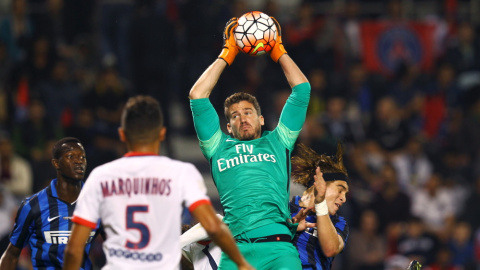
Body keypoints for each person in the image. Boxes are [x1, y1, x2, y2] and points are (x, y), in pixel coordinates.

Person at [63, 96, 252, 270]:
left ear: (122, 135)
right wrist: (241, 263)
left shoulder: (100, 177)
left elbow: (73, 250)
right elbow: (212, 225)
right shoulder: (181, 173)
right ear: (161, 134)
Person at [189, 15, 310, 269]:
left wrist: (278, 50)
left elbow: (301, 89)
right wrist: (228, 52)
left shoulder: (280, 141)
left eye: (247, 112)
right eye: (234, 116)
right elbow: (198, 95)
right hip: (235, 251)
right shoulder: (217, 146)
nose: (242, 118)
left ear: (262, 119)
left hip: (279, 249)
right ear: (228, 126)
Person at [0, 137, 99, 269]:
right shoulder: (33, 205)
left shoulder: (97, 203)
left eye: (82, 157)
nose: (78, 161)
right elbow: (12, 254)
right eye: (71, 156)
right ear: (56, 163)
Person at [289, 143, 349, 270]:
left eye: (345, 194)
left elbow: (330, 249)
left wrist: (320, 203)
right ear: (319, 184)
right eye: (340, 190)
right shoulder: (285, 209)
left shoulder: (338, 222)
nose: (344, 199)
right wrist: (291, 228)